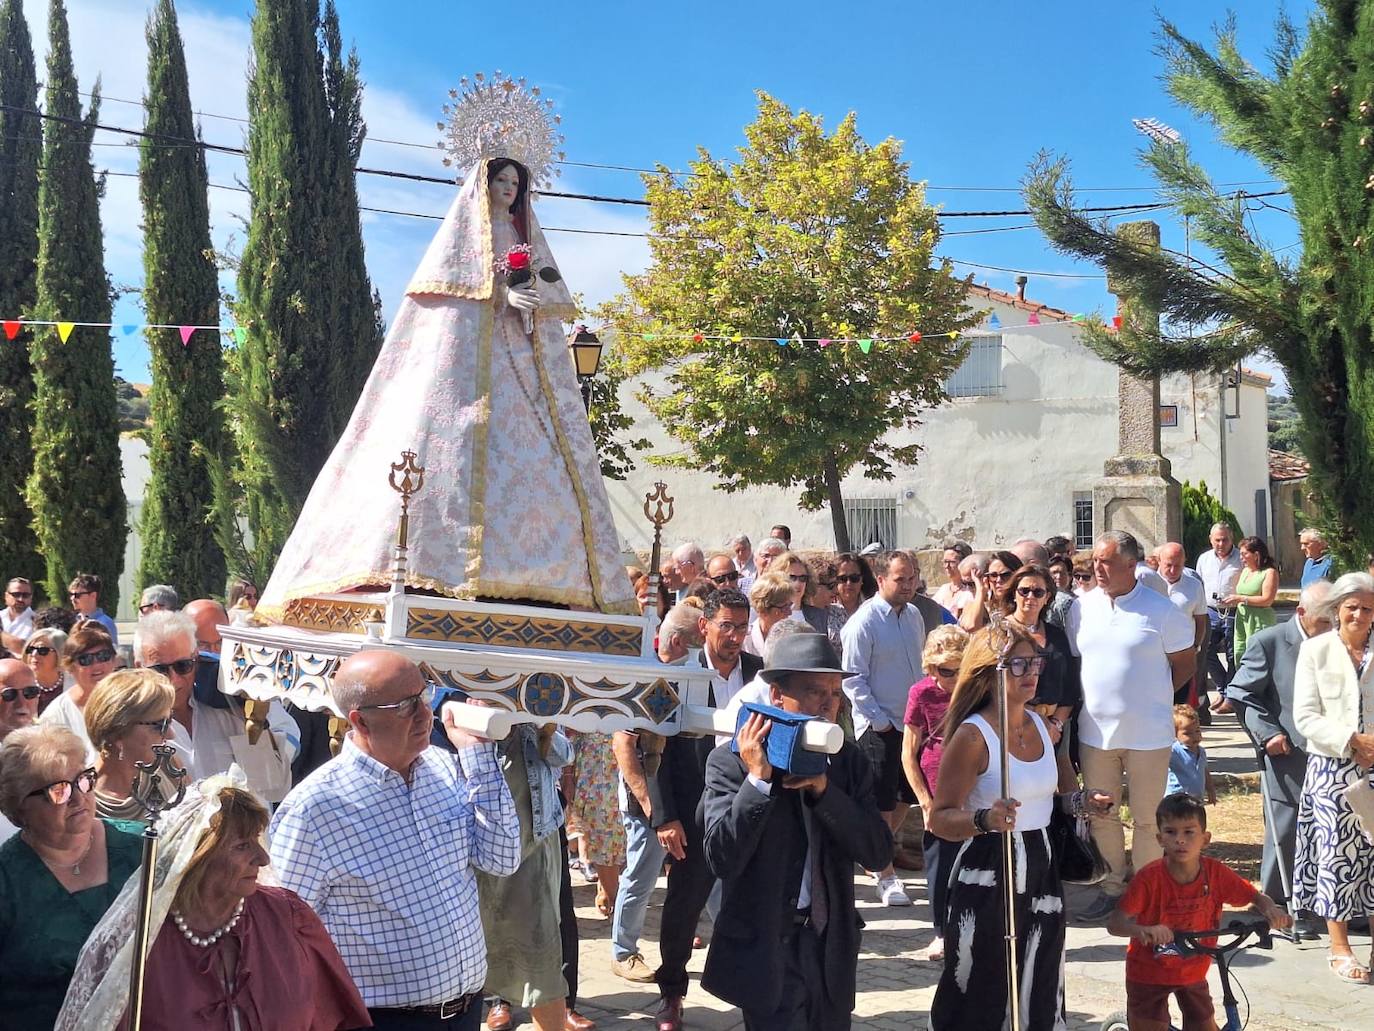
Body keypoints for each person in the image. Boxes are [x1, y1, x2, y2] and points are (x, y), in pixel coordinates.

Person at [255, 150, 634, 620]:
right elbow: (459, 301)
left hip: (521, 369)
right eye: (503, 181)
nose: (510, 189)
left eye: (516, 183)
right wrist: (502, 291)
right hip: (463, 375)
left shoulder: (525, 239)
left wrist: (526, 299)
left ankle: (541, 578)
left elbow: (545, 294)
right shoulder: (459, 243)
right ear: (484, 185)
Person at [271, 650, 521, 1028]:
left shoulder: (442, 766)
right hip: (380, 1020)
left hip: (467, 1010)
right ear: (360, 721)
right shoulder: (314, 808)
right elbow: (283, 932)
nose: (426, 714)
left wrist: (478, 755)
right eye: (405, 706)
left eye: (424, 697)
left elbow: (502, 858)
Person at [58, 777, 370, 1031]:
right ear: (197, 856)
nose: (263, 859)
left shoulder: (288, 918)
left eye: (257, 842)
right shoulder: (136, 945)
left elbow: (332, 1019)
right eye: (241, 846)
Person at [700, 632, 892, 1030]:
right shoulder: (730, 762)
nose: (827, 704)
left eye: (835, 693)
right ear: (776, 697)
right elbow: (721, 857)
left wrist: (827, 794)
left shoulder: (847, 763)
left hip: (828, 948)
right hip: (768, 947)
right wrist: (758, 783)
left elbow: (877, 852)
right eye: (813, 691)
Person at [928, 625, 1112, 1028]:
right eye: (1018, 664)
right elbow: (939, 818)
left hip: (1041, 865)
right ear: (988, 670)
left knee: (1041, 974)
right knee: (982, 981)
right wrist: (984, 819)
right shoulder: (973, 736)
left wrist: (1085, 802)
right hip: (988, 868)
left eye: (1035, 662)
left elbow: (1058, 798)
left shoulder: (1043, 726)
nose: (1031, 672)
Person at [1068, 530, 1197, 923]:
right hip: (1095, 733)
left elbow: (1185, 665)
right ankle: (1111, 886)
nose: (1098, 569)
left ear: (1130, 564)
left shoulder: (1162, 611)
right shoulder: (1081, 608)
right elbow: (1079, 662)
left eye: (1106, 562)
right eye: (1095, 562)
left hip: (1148, 735)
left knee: (1146, 818)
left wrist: (1153, 698)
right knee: (1101, 815)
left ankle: (1144, 891)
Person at [650, 588, 762, 1031]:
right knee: (683, 906)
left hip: (748, 806)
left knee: (752, 901)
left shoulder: (761, 675)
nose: (734, 637)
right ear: (704, 627)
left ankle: (753, 990)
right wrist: (665, 817)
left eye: (742, 627)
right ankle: (672, 993)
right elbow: (654, 751)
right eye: (726, 627)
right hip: (694, 813)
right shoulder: (678, 677)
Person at [1107, 793, 1290, 1031]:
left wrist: (1271, 909)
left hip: (1193, 972)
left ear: (1205, 839)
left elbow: (1254, 896)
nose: (1180, 840)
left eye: (1189, 832)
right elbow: (1115, 924)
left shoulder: (1215, 874)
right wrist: (1144, 930)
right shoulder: (1149, 879)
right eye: (1171, 832)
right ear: (1159, 838)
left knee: (1203, 1025)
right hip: (1148, 973)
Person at [0, 724, 142, 1028]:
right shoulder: (6, 882)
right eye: (59, 790)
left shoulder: (142, 852)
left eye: (83, 780)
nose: (78, 798)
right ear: (19, 810)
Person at [1226, 578, 1332, 935]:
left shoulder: (1344, 644)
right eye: (1324, 621)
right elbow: (1241, 692)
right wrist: (1268, 732)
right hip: (1290, 752)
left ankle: (1335, 904)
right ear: (1301, 613)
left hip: (1335, 753)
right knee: (1287, 829)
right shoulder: (1269, 643)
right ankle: (1280, 906)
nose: (1330, 628)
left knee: (1334, 829)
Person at [1291, 572, 1374, 983]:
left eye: (1367, 608)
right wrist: (1351, 739)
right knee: (1337, 856)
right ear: (1337, 610)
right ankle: (1339, 947)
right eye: (1351, 607)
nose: (1359, 615)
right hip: (1332, 768)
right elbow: (1304, 716)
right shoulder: (1316, 650)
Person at [473, 721, 580, 1031]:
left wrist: (543, 732)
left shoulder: (536, 706)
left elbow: (565, 754)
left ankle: (559, 1012)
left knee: (544, 941)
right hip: (483, 844)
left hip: (536, 840)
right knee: (484, 938)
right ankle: (498, 1003)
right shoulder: (463, 711)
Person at [840, 549, 925, 907]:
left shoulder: (915, 615)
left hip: (911, 724)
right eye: (899, 578)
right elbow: (852, 678)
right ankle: (886, 876)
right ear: (881, 580)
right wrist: (879, 721)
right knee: (881, 802)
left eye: (911, 578)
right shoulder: (863, 622)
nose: (907, 585)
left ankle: (871, 852)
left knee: (907, 796)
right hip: (880, 726)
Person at [136, 611, 299, 792]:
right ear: (139, 668)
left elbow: (287, 741)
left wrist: (254, 724)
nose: (174, 680)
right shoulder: (129, 724)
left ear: (196, 659)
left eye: (183, 666)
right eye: (160, 670)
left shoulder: (233, 694)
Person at [900, 625, 969, 962]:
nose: (953, 677)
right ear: (930, 667)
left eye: (959, 669)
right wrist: (925, 803)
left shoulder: (977, 691)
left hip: (974, 790)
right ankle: (941, 932)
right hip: (937, 792)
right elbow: (907, 753)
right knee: (940, 867)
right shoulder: (921, 693)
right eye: (945, 670)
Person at [83, 668, 176, 824]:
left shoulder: (171, 769)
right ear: (118, 733)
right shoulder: (78, 800)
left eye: (170, 720)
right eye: (160, 725)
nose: (171, 735)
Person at [564, 728, 624, 919]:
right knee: (603, 831)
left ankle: (609, 889)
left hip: (627, 758)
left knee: (618, 834)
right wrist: (567, 775)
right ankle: (612, 894)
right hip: (594, 765)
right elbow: (568, 727)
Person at [40, 624, 118, 761]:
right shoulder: (56, 715)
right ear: (69, 667)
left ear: (114, 660)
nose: (97, 665)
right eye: (86, 660)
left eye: (103, 656)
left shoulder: (133, 700)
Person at [1195, 523, 1243, 710]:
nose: (1221, 544)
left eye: (1225, 540)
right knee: (1205, 650)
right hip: (1211, 611)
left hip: (1234, 611)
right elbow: (1198, 584)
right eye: (1217, 540)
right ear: (1211, 539)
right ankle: (1224, 689)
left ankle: (1230, 698)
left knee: (1233, 655)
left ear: (1232, 539)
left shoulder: (1241, 558)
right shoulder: (1204, 559)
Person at [1224, 535, 1279, 665]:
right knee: (1239, 653)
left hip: (1259, 620)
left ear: (1256, 555)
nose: (1241, 558)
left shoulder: (1269, 572)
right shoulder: (1245, 571)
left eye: (1244, 554)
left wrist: (1242, 599)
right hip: (1242, 620)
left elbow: (1267, 600)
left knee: (1257, 657)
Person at [957, 550, 1021, 632]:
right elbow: (971, 627)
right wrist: (981, 591)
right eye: (993, 575)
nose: (998, 580)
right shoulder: (974, 604)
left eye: (1005, 575)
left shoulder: (1023, 603)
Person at [1165, 704, 1216, 804]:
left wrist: (1210, 790)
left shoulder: (1201, 752)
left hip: (1197, 800)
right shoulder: (1174, 751)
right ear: (1175, 734)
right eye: (1188, 733)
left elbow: (1205, 772)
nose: (1195, 736)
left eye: (1197, 731)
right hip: (1176, 800)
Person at [800, 555, 846, 656]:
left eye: (836, 584)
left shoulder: (839, 612)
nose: (836, 590)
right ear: (813, 585)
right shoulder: (798, 614)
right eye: (831, 586)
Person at [744, 572, 796, 658]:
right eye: (784, 607)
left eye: (790, 605)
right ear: (763, 610)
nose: (789, 612)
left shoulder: (794, 637)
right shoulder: (745, 640)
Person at [23, 625, 69, 714]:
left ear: (61, 653)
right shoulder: (18, 683)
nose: (34, 654)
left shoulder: (76, 684)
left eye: (42, 650)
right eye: (30, 649)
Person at [67, 573, 118, 645]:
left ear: (93, 595)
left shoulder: (105, 623)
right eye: (71, 595)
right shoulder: (72, 621)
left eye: (77, 595)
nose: (72, 598)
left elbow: (111, 651)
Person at [832, 551, 877, 621]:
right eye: (842, 578)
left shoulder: (873, 607)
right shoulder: (826, 608)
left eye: (854, 578)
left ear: (862, 579)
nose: (848, 583)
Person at [931, 542, 972, 615]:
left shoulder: (970, 592)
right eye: (945, 562)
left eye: (952, 562)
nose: (947, 566)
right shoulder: (943, 589)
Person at [1045, 554, 1076, 628]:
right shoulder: (1041, 599)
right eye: (1054, 573)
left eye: (1062, 573)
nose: (1058, 577)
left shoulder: (1075, 601)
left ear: (1070, 576)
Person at [2, 578, 34, 642]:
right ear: (6, 596)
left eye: (26, 595)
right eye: (16, 594)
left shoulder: (38, 622)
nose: (20, 599)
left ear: (31, 598)